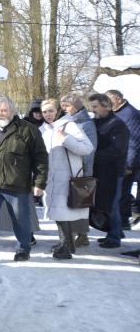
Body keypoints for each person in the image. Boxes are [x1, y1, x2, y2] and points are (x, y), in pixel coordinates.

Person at [0, 96, 48, 264]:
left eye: (4, 110)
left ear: (12, 111)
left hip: (18, 183)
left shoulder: (28, 130)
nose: (1, 114)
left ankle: (23, 249)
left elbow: (40, 158)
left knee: (21, 219)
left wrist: (40, 182)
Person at [38, 99, 94, 259]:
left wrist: (66, 139)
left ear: (57, 111)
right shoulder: (43, 130)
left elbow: (87, 148)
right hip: (51, 178)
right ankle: (66, 243)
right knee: (57, 212)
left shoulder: (69, 126)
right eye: (44, 112)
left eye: (50, 110)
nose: (48, 114)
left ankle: (66, 245)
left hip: (68, 178)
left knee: (63, 212)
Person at [88, 93, 128, 249]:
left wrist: (92, 154)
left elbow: (117, 149)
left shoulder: (117, 125)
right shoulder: (96, 122)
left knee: (112, 205)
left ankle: (115, 236)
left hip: (113, 172)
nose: (93, 110)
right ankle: (112, 232)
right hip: (100, 171)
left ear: (106, 106)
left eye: (96, 106)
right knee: (104, 204)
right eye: (92, 107)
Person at [60, 95, 97, 246]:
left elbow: (90, 149)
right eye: (63, 106)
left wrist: (84, 172)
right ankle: (78, 235)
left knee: (80, 202)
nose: (64, 109)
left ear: (75, 106)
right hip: (69, 167)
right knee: (73, 202)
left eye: (67, 106)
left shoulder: (87, 124)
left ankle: (81, 235)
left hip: (80, 170)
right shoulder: (67, 120)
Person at [106, 90, 140, 224]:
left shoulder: (129, 114)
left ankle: (124, 220)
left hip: (130, 161)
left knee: (123, 191)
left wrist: (129, 164)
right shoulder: (119, 112)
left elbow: (134, 142)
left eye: (109, 100)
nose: (107, 104)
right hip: (124, 158)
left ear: (118, 99)